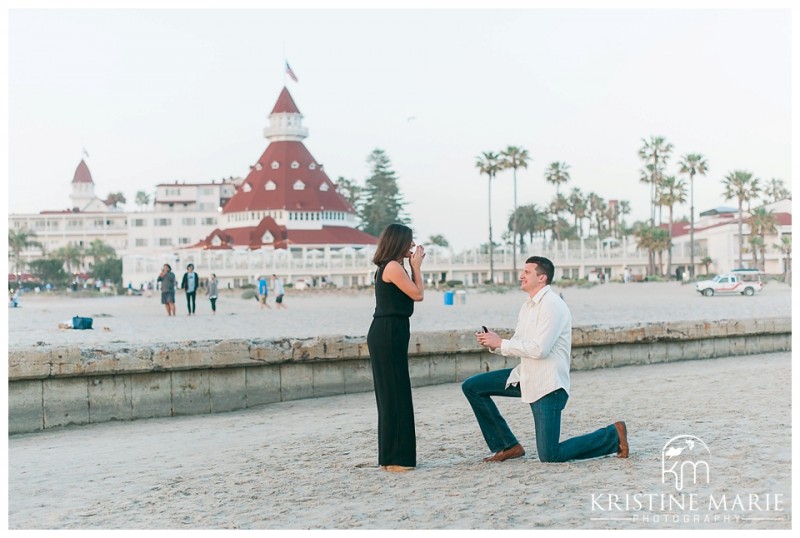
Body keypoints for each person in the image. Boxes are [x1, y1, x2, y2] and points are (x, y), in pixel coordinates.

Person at [463, 256, 628, 463]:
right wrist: (494, 344)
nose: (521, 276)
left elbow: (540, 349)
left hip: (548, 385)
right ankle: (507, 445)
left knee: (550, 455)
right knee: (472, 387)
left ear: (542, 278)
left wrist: (501, 343)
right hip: (526, 377)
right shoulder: (528, 305)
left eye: (527, 272)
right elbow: (519, 344)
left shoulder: (552, 305)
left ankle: (613, 435)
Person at [367, 223, 426, 473]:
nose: (412, 246)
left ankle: (391, 457)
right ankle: (398, 459)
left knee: (391, 393)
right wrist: (417, 268)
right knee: (396, 393)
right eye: (409, 242)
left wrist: (411, 267)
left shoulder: (389, 266)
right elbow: (418, 294)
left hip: (389, 330)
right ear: (398, 242)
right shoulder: (392, 266)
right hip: (389, 331)